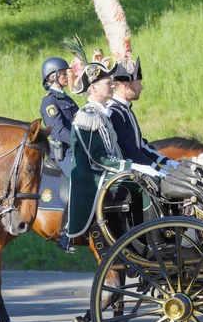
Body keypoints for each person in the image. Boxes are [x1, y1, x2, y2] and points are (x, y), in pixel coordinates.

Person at [66, 62, 162, 248]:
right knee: (144, 184)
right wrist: (132, 166)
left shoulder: (101, 113)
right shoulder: (87, 115)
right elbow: (98, 158)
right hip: (94, 176)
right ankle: (152, 240)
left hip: (108, 170)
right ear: (93, 87)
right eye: (107, 82)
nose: (112, 85)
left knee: (147, 179)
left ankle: (147, 235)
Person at [106, 57, 179, 173]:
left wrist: (165, 161)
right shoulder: (114, 112)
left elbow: (141, 146)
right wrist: (158, 171)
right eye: (139, 83)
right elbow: (131, 152)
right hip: (127, 173)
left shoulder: (126, 109)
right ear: (126, 85)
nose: (141, 88)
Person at [40, 56, 79, 178]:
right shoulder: (50, 101)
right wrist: (79, 142)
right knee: (79, 177)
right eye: (63, 74)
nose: (67, 77)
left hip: (74, 146)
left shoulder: (65, 97)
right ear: (53, 77)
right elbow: (58, 131)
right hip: (65, 151)